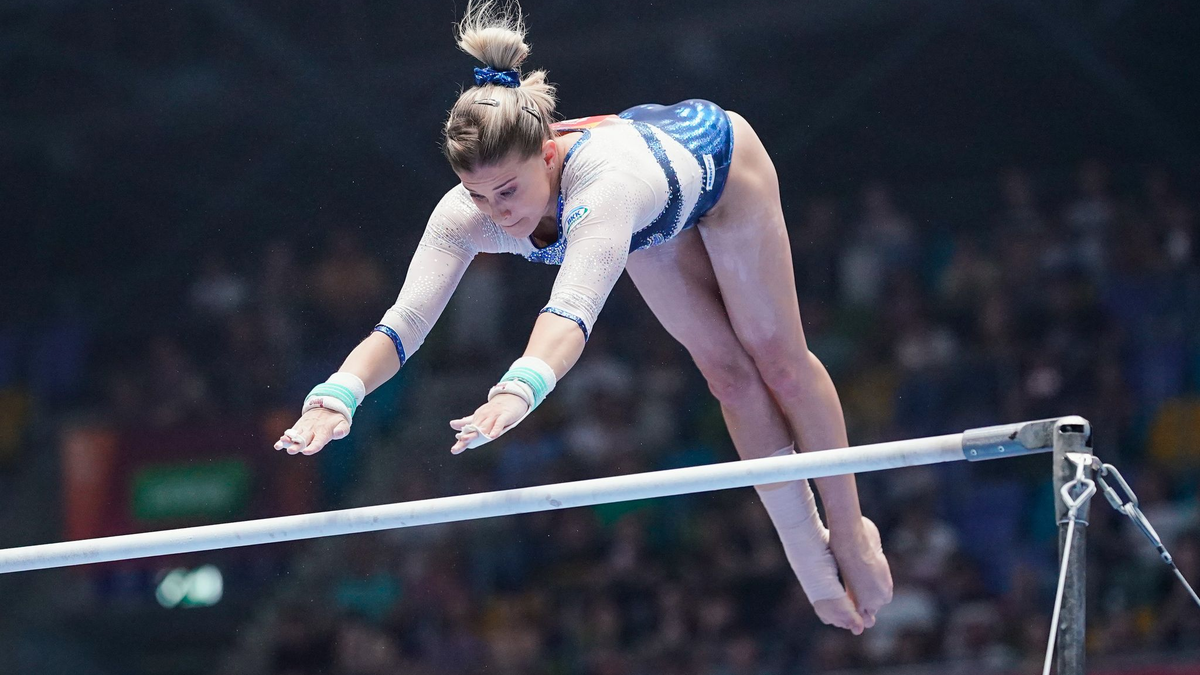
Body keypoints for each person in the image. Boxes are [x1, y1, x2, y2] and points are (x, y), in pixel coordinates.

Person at [274, 0, 892, 634]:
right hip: (649, 221)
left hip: (718, 167)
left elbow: (570, 313)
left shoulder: (604, 188)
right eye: (478, 195)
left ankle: (848, 530)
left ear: (547, 155)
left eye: (507, 191)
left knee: (777, 359)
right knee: (727, 377)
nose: (496, 213)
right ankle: (805, 552)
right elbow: (402, 324)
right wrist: (337, 397)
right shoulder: (465, 212)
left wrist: (520, 387)